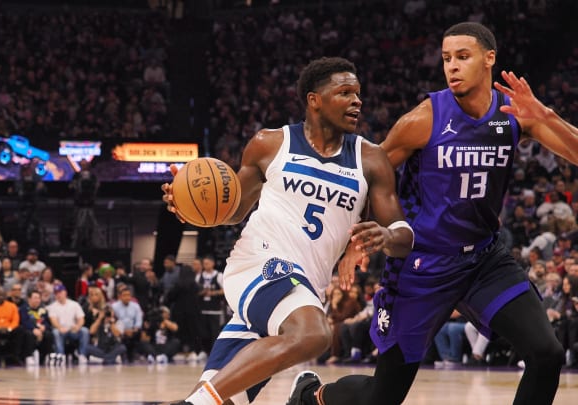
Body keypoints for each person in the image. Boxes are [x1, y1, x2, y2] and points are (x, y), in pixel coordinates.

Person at [288, 22, 578, 405]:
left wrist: (546, 116)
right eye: (446, 59)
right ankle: (312, 395)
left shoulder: (513, 114)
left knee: (547, 353)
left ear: (489, 59)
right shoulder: (424, 119)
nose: (452, 66)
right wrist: (354, 240)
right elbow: (369, 176)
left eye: (462, 56)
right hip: (424, 264)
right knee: (382, 397)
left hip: (483, 260)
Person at [161, 56, 414, 405]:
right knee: (314, 335)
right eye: (344, 93)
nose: (357, 101)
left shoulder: (370, 160)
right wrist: (190, 207)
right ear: (315, 100)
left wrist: (386, 237)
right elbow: (232, 211)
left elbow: (404, 235)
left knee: (220, 398)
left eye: (358, 94)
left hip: (305, 289)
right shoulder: (270, 143)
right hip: (258, 263)